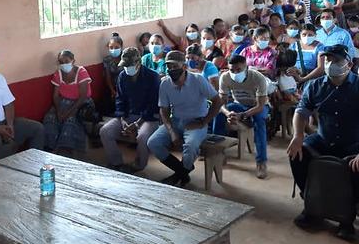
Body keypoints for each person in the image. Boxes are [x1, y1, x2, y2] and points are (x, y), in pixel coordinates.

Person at [287, 45, 359, 240]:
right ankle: (311, 200)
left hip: (356, 141)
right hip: (325, 138)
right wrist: (298, 136)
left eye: (336, 61)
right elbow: (301, 112)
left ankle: (349, 214)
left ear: (349, 64)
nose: (330, 64)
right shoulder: (315, 85)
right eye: (327, 60)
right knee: (297, 154)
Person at [147, 51, 223, 187]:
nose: (171, 70)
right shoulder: (165, 84)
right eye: (169, 67)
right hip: (176, 121)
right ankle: (183, 171)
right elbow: (164, 110)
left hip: (197, 122)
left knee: (191, 146)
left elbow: (217, 101)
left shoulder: (198, 80)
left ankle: (179, 174)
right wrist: (171, 132)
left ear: (184, 66)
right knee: (153, 143)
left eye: (175, 66)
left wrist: (203, 122)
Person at [99, 47, 160, 173]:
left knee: (142, 137)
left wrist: (137, 123)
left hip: (148, 118)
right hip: (127, 115)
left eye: (129, 65)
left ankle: (139, 164)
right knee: (105, 131)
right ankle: (116, 163)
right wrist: (122, 119)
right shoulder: (122, 76)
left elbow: (153, 105)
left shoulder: (152, 77)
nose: (127, 69)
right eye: (125, 66)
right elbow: (120, 99)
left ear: (138, 63)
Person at [214, 55, 270, 179]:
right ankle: (218, 152)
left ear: (246, 67)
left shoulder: (258, 78)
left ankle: (261, 162)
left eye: (238, 70)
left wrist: (243, 115)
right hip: (238, 104)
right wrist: (228, 113)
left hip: (257, 106)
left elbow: (260, 106)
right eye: (232, 70)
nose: (235, 73)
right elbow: (221, 103)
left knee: (260, 122)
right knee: (218, 115)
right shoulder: (225, 77)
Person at [43, 50, 93, 155]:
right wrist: (58, 111)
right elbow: (56, 96)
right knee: (50, 118)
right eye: (61, 62)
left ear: (73, 61)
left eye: (66, 61)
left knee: (70, 121)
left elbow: (83, 96)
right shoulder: (58, 74)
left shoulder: (82, 72)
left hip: (81, 103)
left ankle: (65, 150)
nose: (64, 64)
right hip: (63, 102)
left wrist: (68, 113)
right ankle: (50, 148)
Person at [101, 33, 124, 116]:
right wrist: (112, 90)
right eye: (111, 47)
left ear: (121, 47)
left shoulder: (125, 58)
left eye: (116, 47)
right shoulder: (107, 60)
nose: (114, 49)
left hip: (125, 86)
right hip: (113, 86)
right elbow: (108, 76)